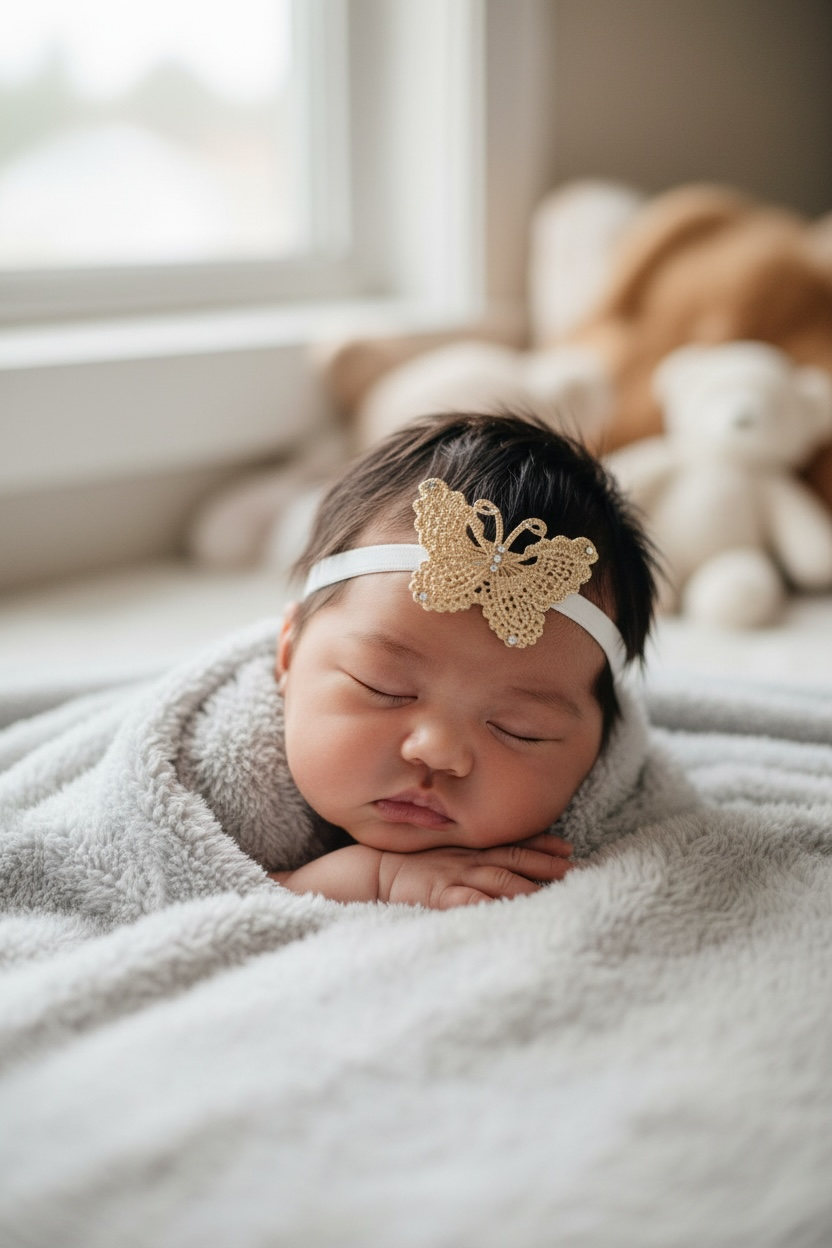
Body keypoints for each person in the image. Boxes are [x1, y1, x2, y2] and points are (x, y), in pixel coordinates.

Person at [269, 411, 659, 909]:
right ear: (288, 652)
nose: (437, 752)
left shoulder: (634, 826)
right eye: (383, 687)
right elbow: (185, 892)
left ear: (599, 746)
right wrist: (373, 878)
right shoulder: (195, 769)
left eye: (519, 729)